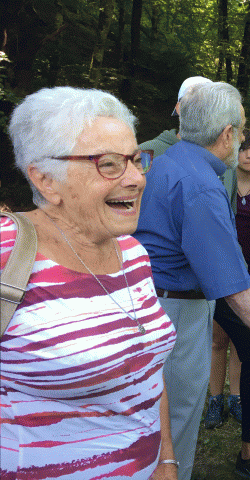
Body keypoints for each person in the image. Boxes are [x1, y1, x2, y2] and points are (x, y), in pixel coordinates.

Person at [134, 82, 250, 480]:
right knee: (175, 421)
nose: (244, 139)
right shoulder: (200, 185)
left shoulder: (168, 162)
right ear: (227, 134)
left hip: (154, 302)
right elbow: (232, 282)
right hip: (177, 310)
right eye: (242, 129)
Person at [2, 86, 177, 479]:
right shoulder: (7, 253)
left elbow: (149, 369)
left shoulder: (132, 253)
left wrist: (166, 460)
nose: (136, 179)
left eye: (136, 160)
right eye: (110, 164)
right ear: (46, 180)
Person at [204, 130, 250, 428]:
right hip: (220, 272)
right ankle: (214, 399)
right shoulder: (219, 185)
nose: (249, 155)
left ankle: (236, 397)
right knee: (218, 339)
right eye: (244, 149)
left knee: (242, 338)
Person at [139, 76, 213, 157]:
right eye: (193, 102)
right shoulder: (145, 153)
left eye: (209, 104)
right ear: (178, 108)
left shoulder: (223, 161)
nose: (201, 108)